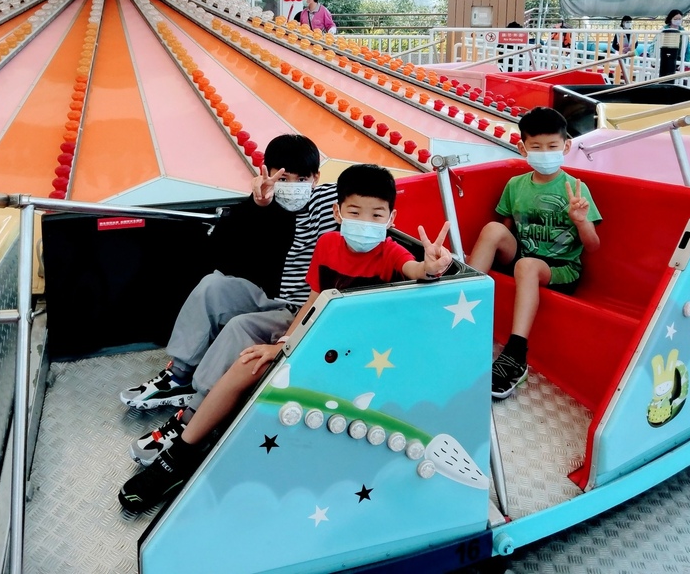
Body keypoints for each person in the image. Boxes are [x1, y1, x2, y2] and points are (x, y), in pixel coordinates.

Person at [118, 164, 453, 512]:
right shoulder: (328, 244)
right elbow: (313, 301)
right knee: (249, 358)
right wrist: (284, 345)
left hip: (349, 356)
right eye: (355, 212)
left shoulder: (390, 253)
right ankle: (182, 449)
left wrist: (430, 268)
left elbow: (414, 269)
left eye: (376, 215)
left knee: (253, 368)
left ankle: (191, 447)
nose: (365, 222)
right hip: (316, 338)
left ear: (391, 218)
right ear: (338, 212)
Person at [119, 134, 338, 416]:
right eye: (283, 179)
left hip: (302, 308)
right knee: (212, 286)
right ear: (266, 173)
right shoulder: (264, 204)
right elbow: (221, 247)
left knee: (239, 325)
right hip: (270, 298)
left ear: (316, 177)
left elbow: (366, 196)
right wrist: (257, 206)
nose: (293, 187)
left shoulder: (330, 202)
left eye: (302, 179)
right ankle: (178, 377)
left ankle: (200, 399)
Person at [467, 107, 602, 399]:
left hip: (561, 268)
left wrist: (581, 221)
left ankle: (516, 354)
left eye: (552, 146)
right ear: (522, 148)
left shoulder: (576, 189)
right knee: (493, 229)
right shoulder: (515, 185)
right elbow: (506, 229)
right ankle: (462, 302)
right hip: (522, 258)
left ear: (566, 146)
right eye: (536, 147)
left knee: (527, 265)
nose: (545, 153)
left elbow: (592, 246)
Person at [656, 9, 687, 77]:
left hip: (678, 58)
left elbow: (687, 47)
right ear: (670, 19)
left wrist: (685, 61)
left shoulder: (684, 32)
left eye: (680, 19)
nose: (678, 21)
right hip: (664, 57)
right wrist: (655, 59)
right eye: (675, 19)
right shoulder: (663, 31)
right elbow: (654, 45)